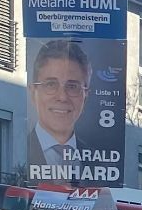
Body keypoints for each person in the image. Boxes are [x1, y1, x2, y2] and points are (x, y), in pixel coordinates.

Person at [25, 40, 93, 183]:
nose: (62, 97)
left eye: (72, 86)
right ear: (33, 93)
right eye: (51, 84)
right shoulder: (16, 153)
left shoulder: (100, 162)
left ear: (86, 96)